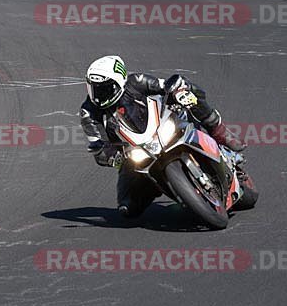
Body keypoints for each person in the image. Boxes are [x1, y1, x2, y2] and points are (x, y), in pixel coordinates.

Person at [79, 55, 246, 218]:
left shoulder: (135, 81)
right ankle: (158, 186)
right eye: (94, 89)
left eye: (105, 89)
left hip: (163, 125)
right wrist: (110, 157)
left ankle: (218, 130)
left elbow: (164, 85)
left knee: (188, 89)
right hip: (133, 153)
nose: (98, 95)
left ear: (119, 81)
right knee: (127, 208)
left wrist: (176, 89)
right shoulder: (89, 112)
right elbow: (97, 144)